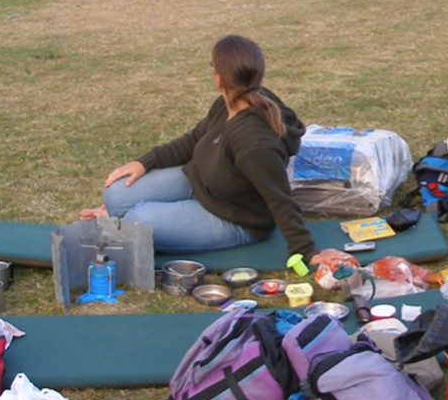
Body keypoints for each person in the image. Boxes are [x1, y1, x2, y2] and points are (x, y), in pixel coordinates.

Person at [82, 35, 316, 260]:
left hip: (235, 218)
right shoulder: (230, 103)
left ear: (218, 79)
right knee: (116, 194)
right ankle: (122, 218)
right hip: (204, 183)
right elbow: (195, 138)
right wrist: (145, 162)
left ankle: (123, 222)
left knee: (136, 220)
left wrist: (306, 251)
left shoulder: (253, 142)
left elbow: (280, 198)